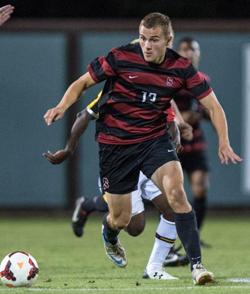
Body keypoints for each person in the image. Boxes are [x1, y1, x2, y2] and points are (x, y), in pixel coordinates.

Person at [44, 12, 241, 285]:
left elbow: (213, 105)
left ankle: (197, 266)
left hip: (153, 141)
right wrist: (61, 106)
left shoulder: (180, 68)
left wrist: (224, 141)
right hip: (115, 145)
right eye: (143, 38)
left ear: (168, 40)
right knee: (125, 221)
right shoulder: (121, 57)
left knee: (176, 193)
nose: (147, 45)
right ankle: (109, 231)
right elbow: (82, 83)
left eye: (154, 40)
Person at [44, 93, 192, 280]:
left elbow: (169, 118)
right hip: (121, 163)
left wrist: (175, 135)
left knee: (172, 208)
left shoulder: (156, 86)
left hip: (151, 159)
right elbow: (84, 116)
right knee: (134, 227)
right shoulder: (114, 90)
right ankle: (104, 225)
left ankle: (155, 268)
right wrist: (68, 149)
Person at [164, 37, 214, 267]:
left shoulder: (202, 79)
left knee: (200, 186)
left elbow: (209, 110)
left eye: (193, 49)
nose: (189, 53)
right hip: (173, 140)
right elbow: (166, 104)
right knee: (172, 194)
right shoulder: (170, 77)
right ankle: (169, 245)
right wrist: (184, 117)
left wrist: (223, 139)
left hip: (195, 141)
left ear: (198, 54)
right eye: (184, 49)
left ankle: (194, 235)